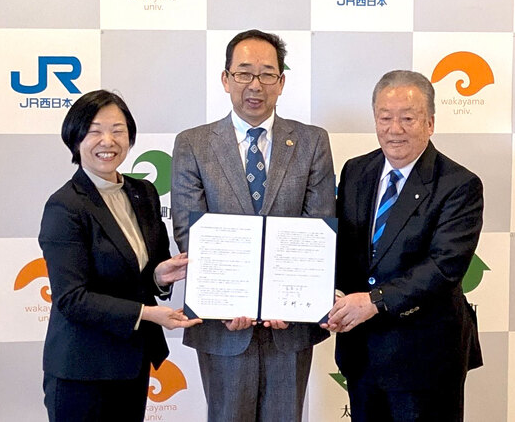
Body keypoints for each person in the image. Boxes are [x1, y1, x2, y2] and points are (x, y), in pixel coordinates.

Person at [171, 29, 336, 421]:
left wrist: (288, 300)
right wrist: (228, 299)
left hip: (290, 323)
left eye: (266, 74)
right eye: (244, 73)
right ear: (226, 79)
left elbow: (317, 227)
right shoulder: (194, 144)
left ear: (281, 82)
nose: (255, 85)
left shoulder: (312, 142)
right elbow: (189, 231)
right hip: (221, 322)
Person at [326, 70, 483, 421]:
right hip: (361, 354)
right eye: (385, 118)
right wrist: (323, 293)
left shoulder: (459, 185)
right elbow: (343, 247)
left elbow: (444, 266)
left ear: (430, 123)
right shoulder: (356, 171)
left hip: (425, 358)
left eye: (407, 118)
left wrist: (374, 301)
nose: (394, 129)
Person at [39, 90, 201, 422]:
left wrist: (159, 276)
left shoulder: (143, 193)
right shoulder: (65, 205)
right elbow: (72, 298)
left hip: (131, 363)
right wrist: (147, 313)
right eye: (95, 131)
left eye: (118, 130)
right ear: (75, 139)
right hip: (82, 370)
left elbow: (143, 270)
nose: (108, 141)